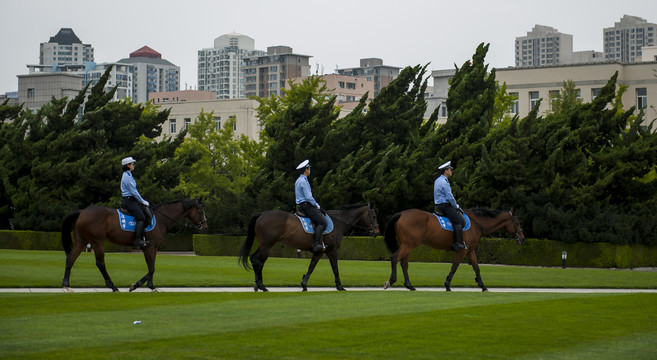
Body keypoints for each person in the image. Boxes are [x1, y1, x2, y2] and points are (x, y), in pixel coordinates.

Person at [434, 160, 467, 251]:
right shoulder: (445, 182)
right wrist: (455, 205)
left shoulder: (437, 180)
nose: (451, 171)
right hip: (445, 206)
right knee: (459, 221)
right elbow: (449, 197)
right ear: (446, 171)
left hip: (438, 205)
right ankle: (457, 244)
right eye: (450, 169)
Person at [295, 159, 326, 253]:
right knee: (322, 222)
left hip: (301, 205)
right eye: (309, 168)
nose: (310, 170)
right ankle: (316, 244)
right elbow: (308, 197)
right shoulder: (303, 181)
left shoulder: (299, 180)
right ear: (306, 170)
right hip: (306, 205)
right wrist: (317, 206)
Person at [120, 156, 150, 248]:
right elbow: (134, 192)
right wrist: (142, 201)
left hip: (132, 200)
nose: (133, 165)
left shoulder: (129, 175)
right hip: (129, 200)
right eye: (132, 164)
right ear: (128, 165)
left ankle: (142, 236)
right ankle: (137, 240)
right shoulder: (127, 177)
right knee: (141, 217)